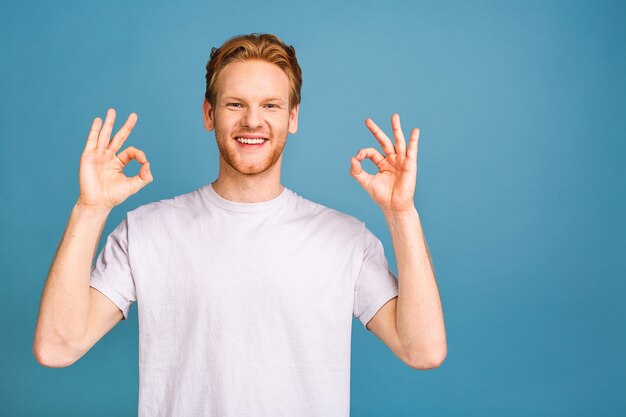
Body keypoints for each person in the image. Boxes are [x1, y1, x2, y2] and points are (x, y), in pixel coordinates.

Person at [33, 33, 446, 416]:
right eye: (235, 104)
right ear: (209, 114)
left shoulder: (346, 240)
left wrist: (401, 214)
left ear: (293, 117)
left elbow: (422, 350)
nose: (253, 121)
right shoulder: (146, 231)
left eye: (270, 105)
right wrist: (89, 209)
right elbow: (57, 347)